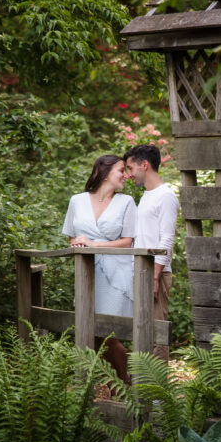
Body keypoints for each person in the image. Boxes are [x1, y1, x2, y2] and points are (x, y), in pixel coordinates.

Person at [62, 154, 136, 384]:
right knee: (89, 330)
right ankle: (117, 382)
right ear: (104, 173)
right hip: (87, 273)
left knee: (109, 332)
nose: (126, 175)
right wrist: (78, 244)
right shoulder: (77, 201)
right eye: (121, 170)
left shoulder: (127, 202)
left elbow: (127, 241)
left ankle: (124, 380)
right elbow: (72, 238)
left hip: (116, 275)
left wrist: (95, 244)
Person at [123, 144, 180, 360]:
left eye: (131, 168)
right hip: (141, 270)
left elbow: (166, 239)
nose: (129, 174)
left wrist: (155, 277)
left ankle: (157, 393)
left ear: (144, 165)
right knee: (142, 332)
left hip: (157, 272)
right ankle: (142, 389)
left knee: (156, 334)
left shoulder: (165, 196)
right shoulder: (147, 196)